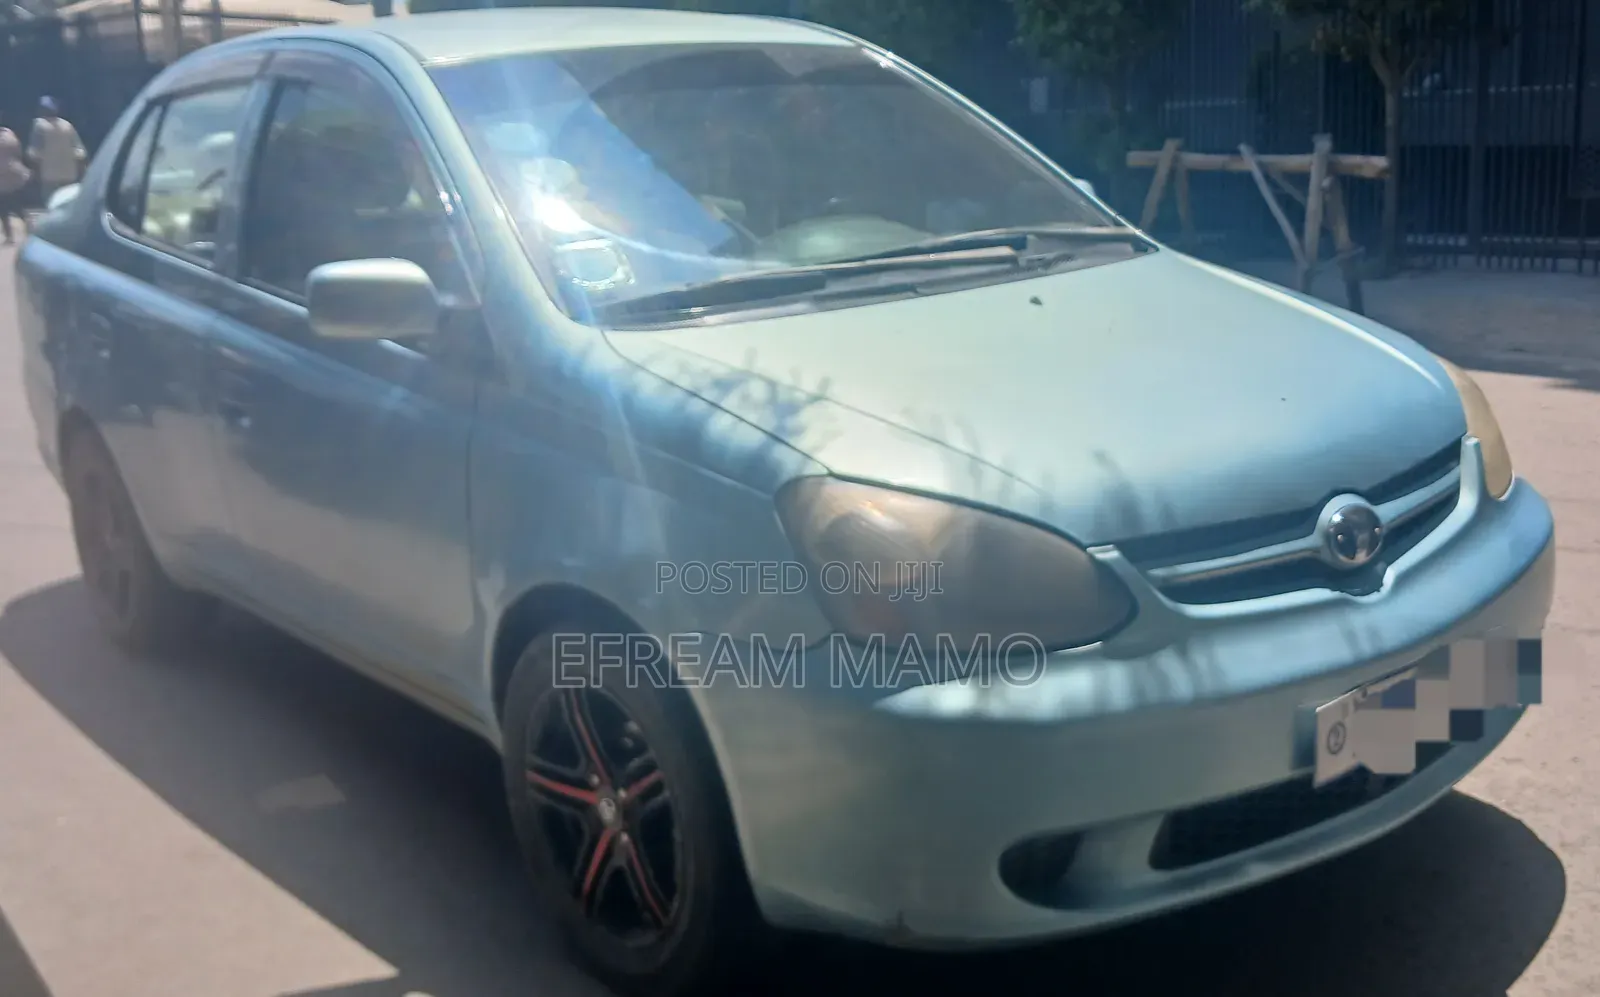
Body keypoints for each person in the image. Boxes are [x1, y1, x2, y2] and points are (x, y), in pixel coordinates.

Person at [26, 96, 86, 209]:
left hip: (49, 175)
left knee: (51, 205)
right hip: (69, 173)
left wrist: (33, 169)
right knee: (69, 204)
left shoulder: (39, 125)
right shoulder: (67, 125)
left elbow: (34, 153)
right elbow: (80, 152)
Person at [0, 122, 31, 244]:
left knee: (4, 209)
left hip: (3, 177)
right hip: (14, 175)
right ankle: (29, 229)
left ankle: (9, 236)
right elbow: (19, 153)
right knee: (17, 206)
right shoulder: (10, 135)